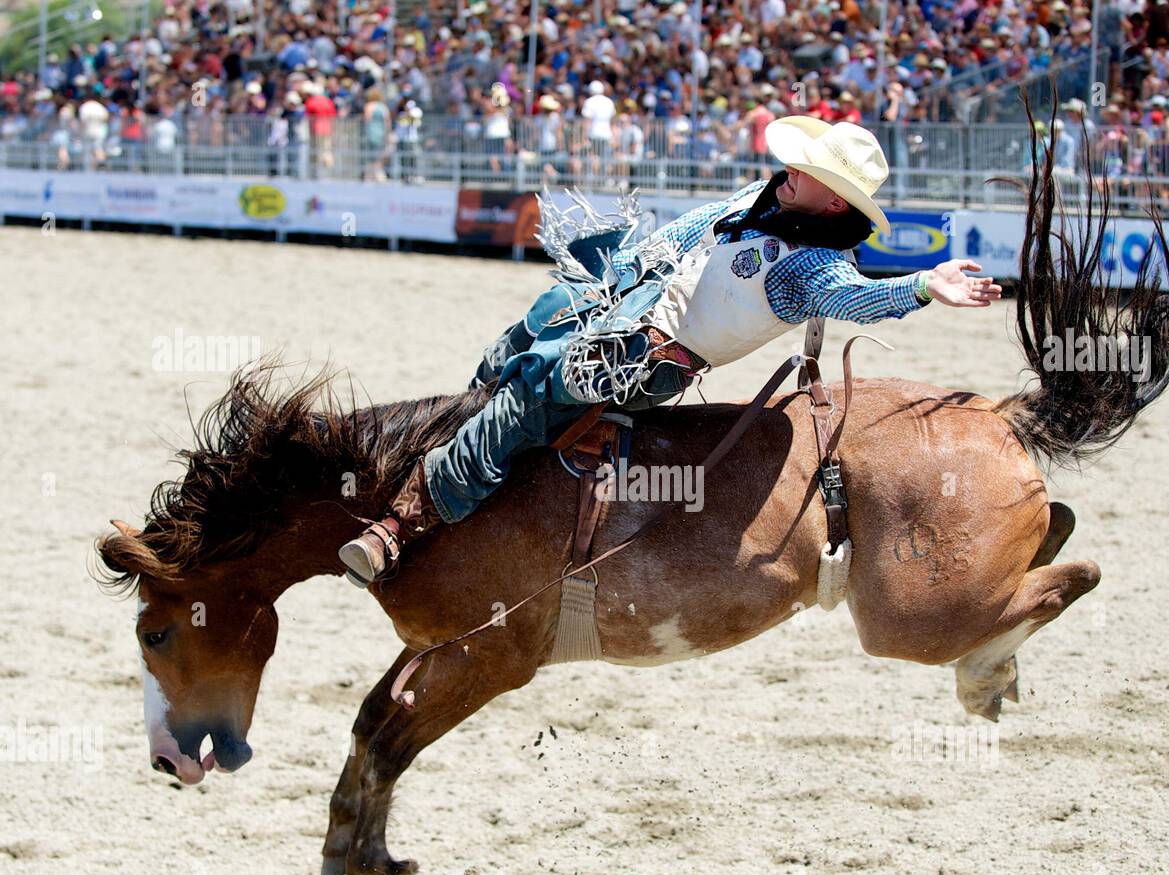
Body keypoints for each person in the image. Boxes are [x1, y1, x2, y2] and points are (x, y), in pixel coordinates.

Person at [338, 118, 1002, 586]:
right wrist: (621, 273)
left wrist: (920, 285)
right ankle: (477, 456)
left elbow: (853, 297)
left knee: (537, 383)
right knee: (516, 342)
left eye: (811, 171)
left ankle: (407, 519)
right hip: (626, 303)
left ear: (833, 201)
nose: (792, 169)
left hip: (649, 357)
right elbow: (692, 228)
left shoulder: (806, 267)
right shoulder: (767, 199)